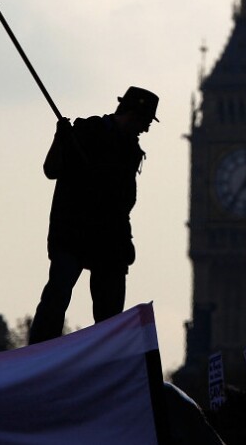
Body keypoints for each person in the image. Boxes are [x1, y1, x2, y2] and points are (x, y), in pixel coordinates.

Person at [27, 86, 159, 344]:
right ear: (133, 115)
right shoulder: (85, 133)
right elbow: (51, 169)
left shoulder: (131, 152)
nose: (146, 129)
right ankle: (38, 352)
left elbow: (124, 201)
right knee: (57, 297)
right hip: (73, 234)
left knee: (109, 316)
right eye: (145, 122)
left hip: (109, 241)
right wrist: (60, 139)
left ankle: (104, 360)